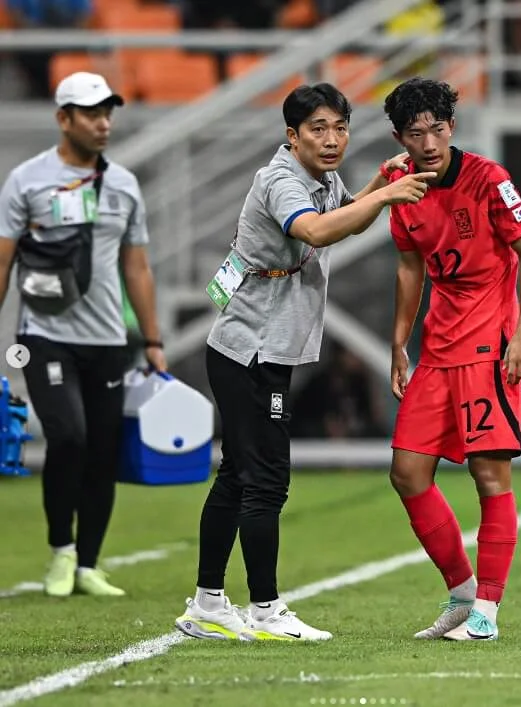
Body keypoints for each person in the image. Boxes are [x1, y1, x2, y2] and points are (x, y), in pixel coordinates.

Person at [174, 82, 435, 642]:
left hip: (266, 343)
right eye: (318, 128)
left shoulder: (323, 179)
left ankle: (208, 603)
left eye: (340, 127)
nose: (332, 138)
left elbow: (345, 220)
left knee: (239, 474)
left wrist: (374, 186)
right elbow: (314, 230)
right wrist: (386, 197)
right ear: (291, 136)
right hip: (250, 347)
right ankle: (264, 609)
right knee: (266, 478)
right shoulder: (278, 180)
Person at [383, 77, 521, 641]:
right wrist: (400, 341)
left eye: (437, 128)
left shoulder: (488, 179)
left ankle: (488, 613)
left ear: (452, 126)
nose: (428, 142)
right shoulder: (400, 189)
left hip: (489, 348)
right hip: (437, 348)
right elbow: (410, 269)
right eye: (414, 133)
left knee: (489, 476)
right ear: (399, 137)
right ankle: (460, 594)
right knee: (406, 472)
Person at [0, 71, 166, 597]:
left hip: (108, 340)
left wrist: (154, 341)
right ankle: (60, 551)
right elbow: (2, 262)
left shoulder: (123, 184)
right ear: (63, 118)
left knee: (101, 448)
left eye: (108, 112)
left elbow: (136, 267)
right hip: (43, 335)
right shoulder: (26, 180)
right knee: (67, 435)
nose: (103, 122)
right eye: (91, 113)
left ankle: (89, 563)